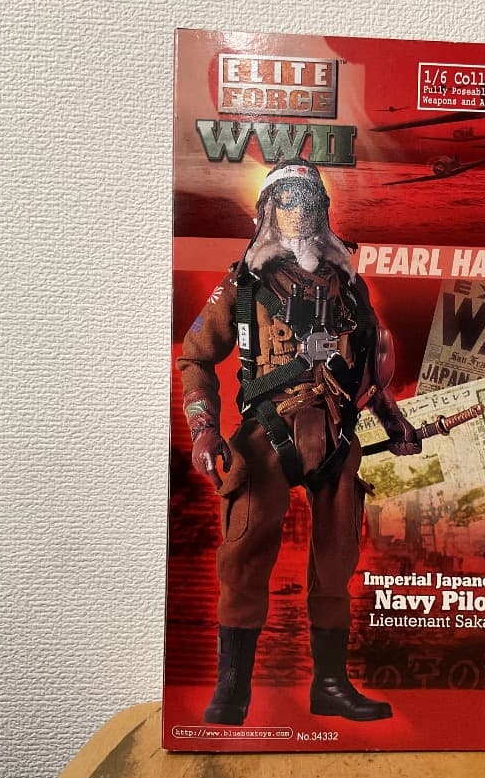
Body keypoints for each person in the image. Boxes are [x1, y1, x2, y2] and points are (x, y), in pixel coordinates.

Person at [177, 158, 419, 725]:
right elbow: (195, 357)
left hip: (336, 435)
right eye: (286, 201)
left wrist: (393, 419)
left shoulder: (349, 287)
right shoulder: (242, 284)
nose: (298, 213)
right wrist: (204, 427)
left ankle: (330, 686)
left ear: (323, 212)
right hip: (268, 434)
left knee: (336, 565)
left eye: (308, 203)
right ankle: (232, 691)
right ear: (268, 210)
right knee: (243, 557)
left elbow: (369, 368)